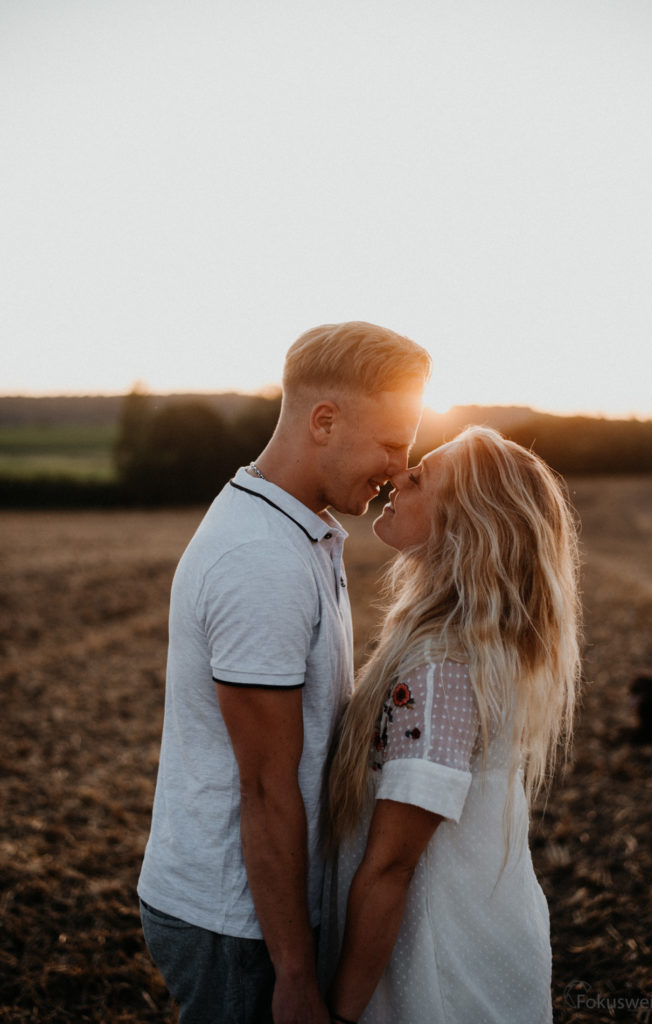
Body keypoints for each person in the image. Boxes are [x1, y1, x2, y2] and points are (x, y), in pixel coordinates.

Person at [137, 321, 431, 1024]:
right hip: (236, 921)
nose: (397, 468)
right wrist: (294, 973)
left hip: (254, 913)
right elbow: (267, 785)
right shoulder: (259, 560)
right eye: (391, 445)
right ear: (324, 421)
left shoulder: (297, 529)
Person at [320, 426, 582, 1024]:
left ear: (463, 525)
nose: (397, 477)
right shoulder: (470, 650)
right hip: (464, 941)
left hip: (436, 973)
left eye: (418, 479)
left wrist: (339, 1014)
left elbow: (392, 867)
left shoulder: (443, 672)